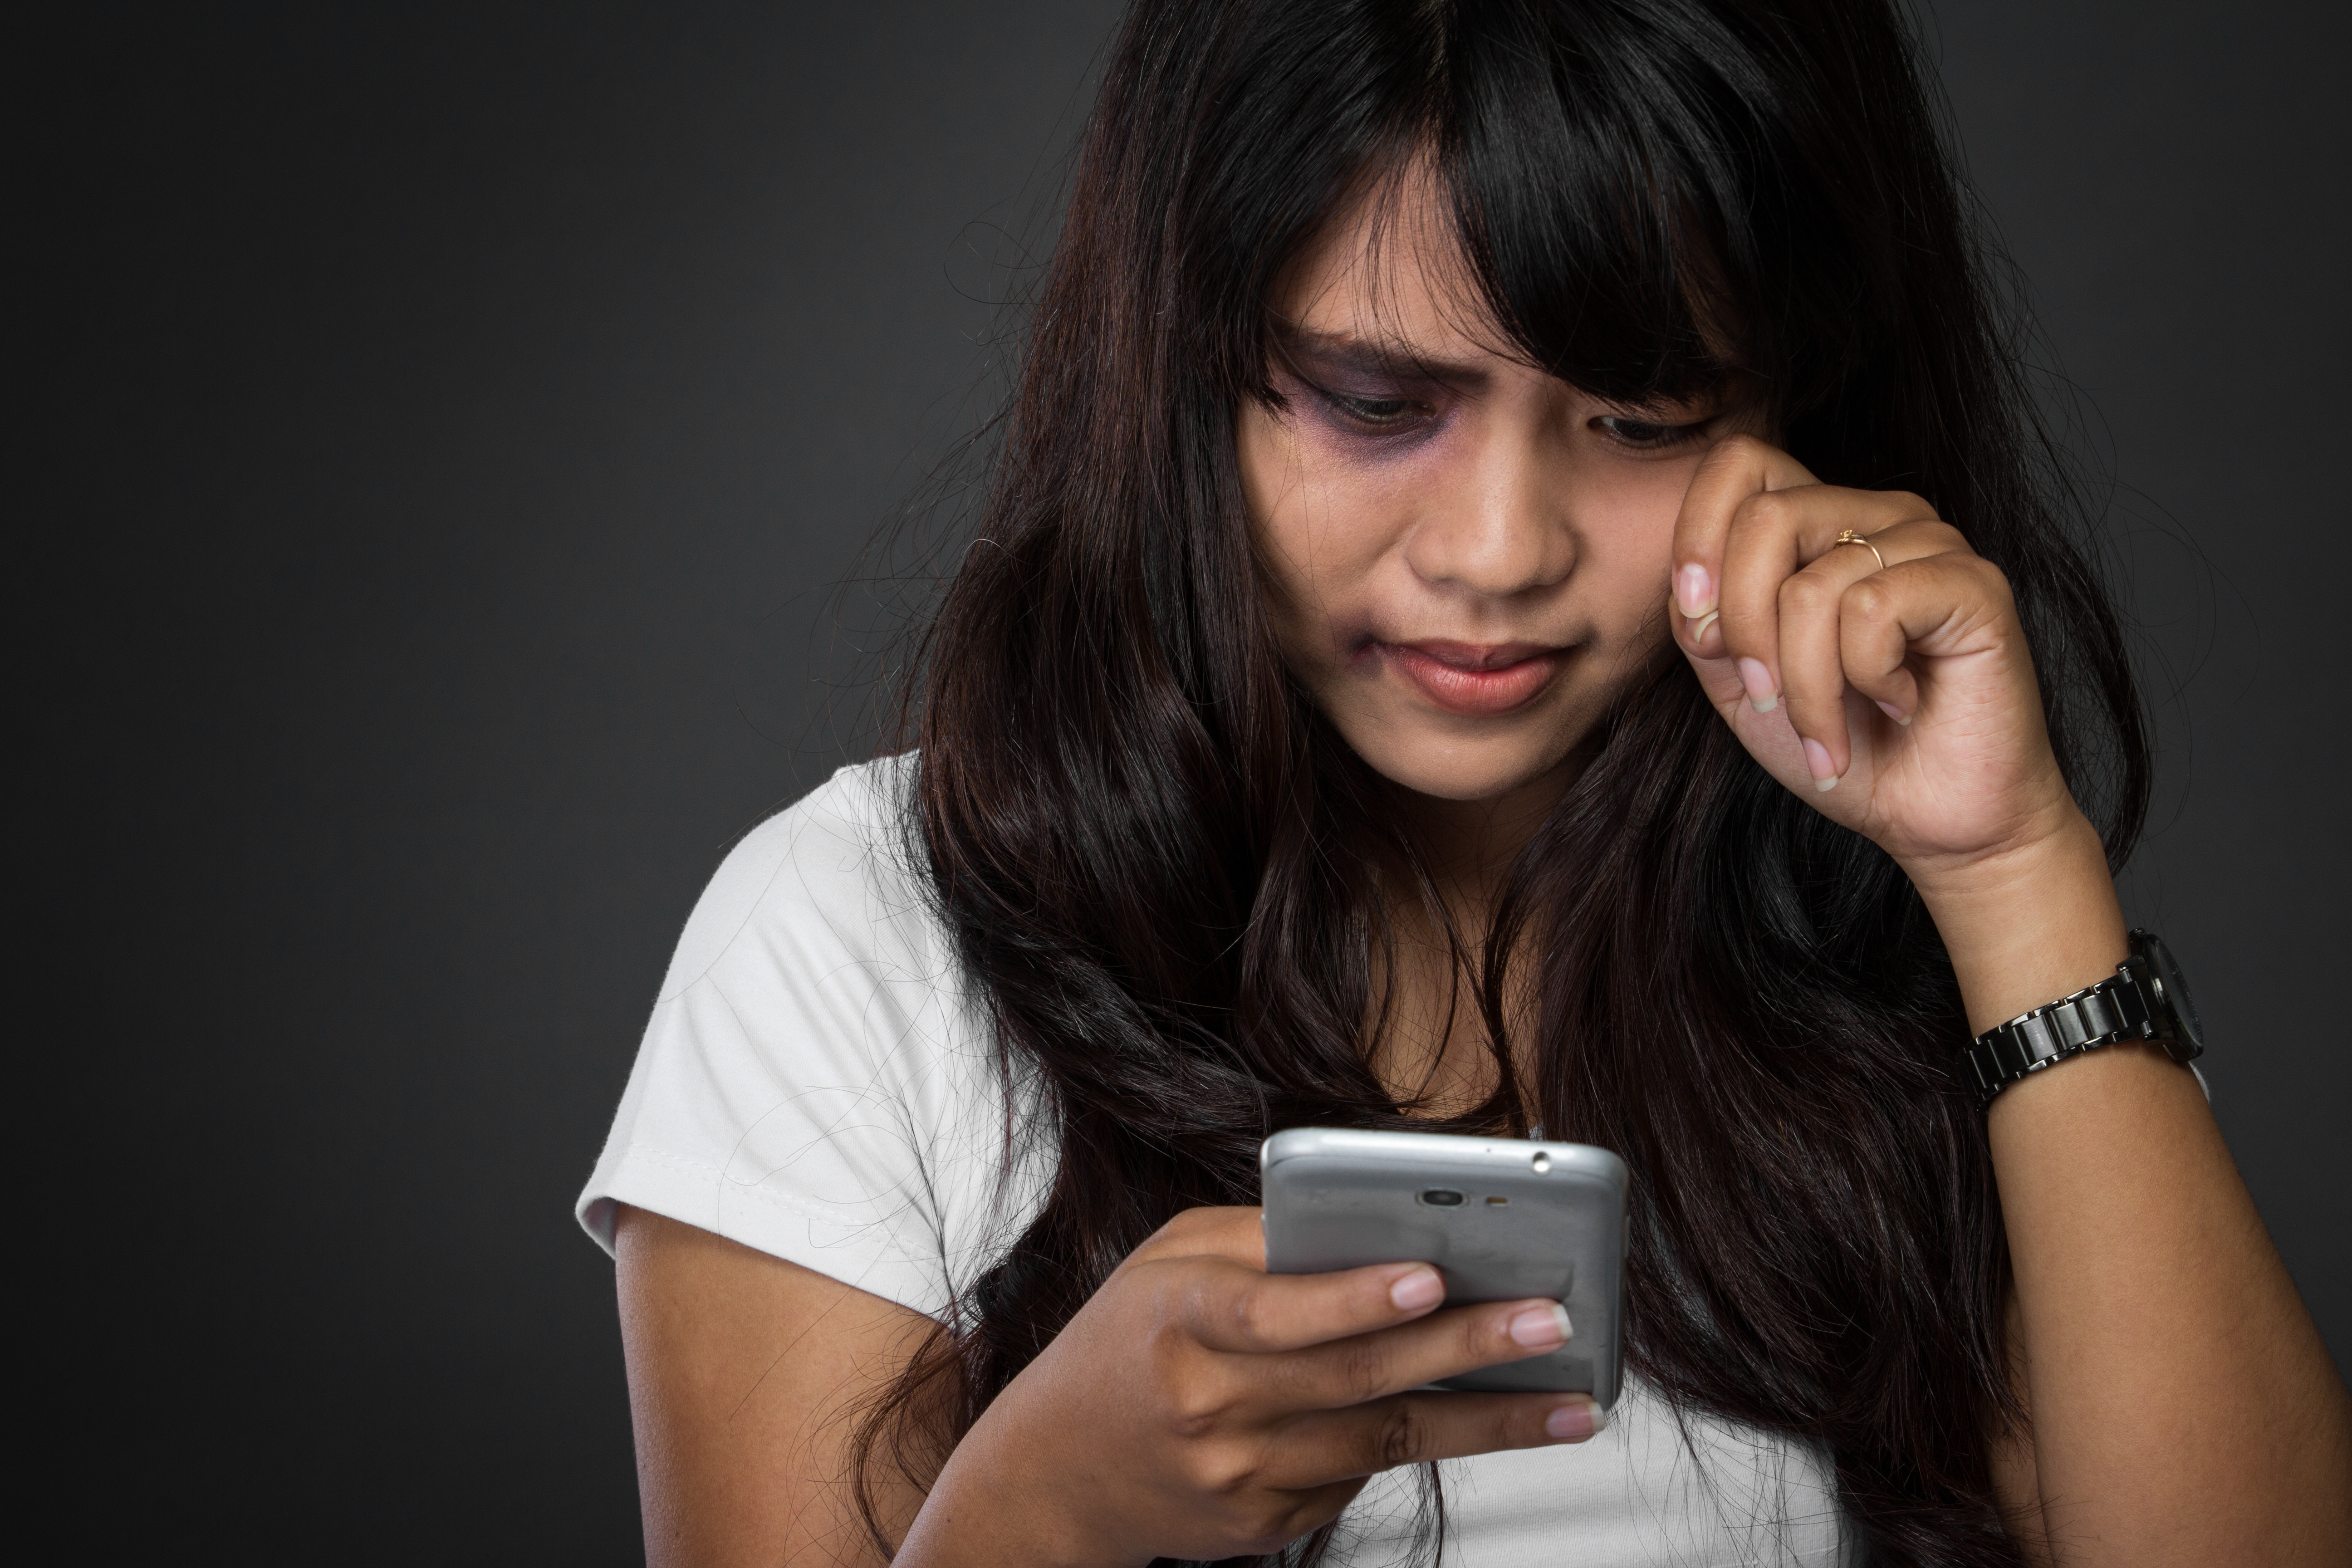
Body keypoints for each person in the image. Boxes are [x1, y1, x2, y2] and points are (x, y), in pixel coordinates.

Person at [576, 1, 2352, 1563]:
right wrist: (1039, 1514)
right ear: (1183, 368)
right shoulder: (857, 945)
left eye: (1644, 419)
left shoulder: (1886, 924)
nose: (1501, 552)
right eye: (1372, 401)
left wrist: (2010, 870)